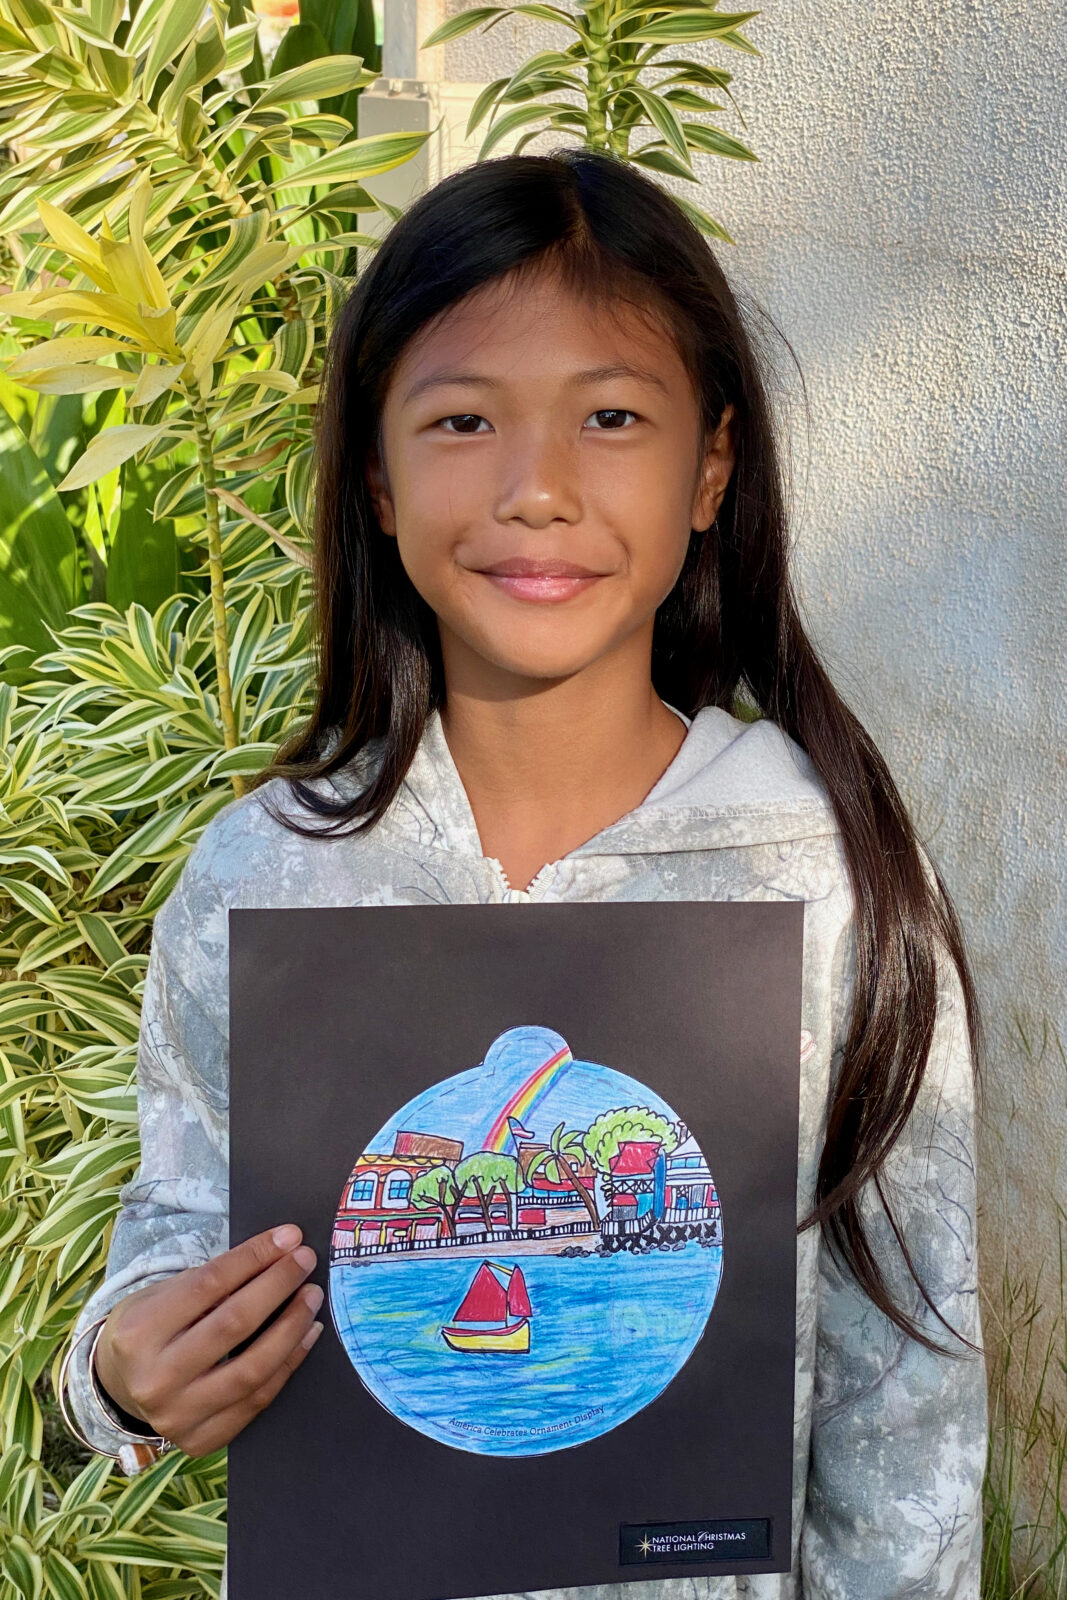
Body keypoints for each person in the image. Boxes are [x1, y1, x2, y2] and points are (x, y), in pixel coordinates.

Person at [61, 148, 987, 1598]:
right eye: (462, 419)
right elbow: (173, 1239)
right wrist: (120, 1369)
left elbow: (907, 1390)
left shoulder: (831, 876)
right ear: (375, 478)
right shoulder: (267, 875)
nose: (537, 487)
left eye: (612, 416)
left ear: (712, 468)